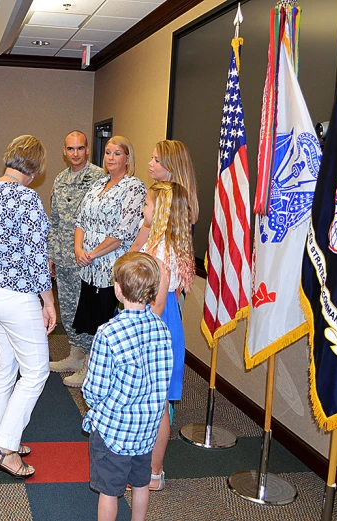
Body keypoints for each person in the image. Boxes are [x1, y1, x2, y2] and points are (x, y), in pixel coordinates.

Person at [0, 135, 55, 479]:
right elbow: (38, 259)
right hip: (16, 295)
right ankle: (5, 450)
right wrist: (48, 301)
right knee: (37, 371)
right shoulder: (28, 199)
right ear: (35, 167)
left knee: (7, 364)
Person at [82, 252, 173, 521]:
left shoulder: (108, 333)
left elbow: (95, 390)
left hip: (114, 431)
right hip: (146, 429)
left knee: (109, 492)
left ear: (118, 290)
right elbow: (163, 378)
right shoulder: (162, 329)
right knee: (141, 484)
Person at [130, 140, 198, 491]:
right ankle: (153, 468)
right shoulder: (171, 242)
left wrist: (137, 329)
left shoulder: (158, 251)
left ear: (158, 210)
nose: (142, 207)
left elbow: (156, 304)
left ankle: (153, 472)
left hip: (158, 324)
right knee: (157, 403)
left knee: (156, 407)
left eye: (145, 203)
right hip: (168, 321)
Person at [67, 136, 146, 387]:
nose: (110, 157)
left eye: (117, 153)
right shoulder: (98, 184)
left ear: (128, 158)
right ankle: (88, 364)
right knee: (91, 321)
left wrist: (92, 253)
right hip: (89, 268)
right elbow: (80, 221)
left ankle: (97, 372)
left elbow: (123, 232)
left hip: (112, 268)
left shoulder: (134, 187)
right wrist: (79, 249)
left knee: (107, 323)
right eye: (108, 153)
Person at [48, 130, 106, 374]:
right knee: (69, 309)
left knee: (88, 311)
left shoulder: (99, 178)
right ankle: (76, 353)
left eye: (79, 148)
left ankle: (91, 364)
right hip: (63, 257)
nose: (75, 153)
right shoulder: (60, 179)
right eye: (70, 149)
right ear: (64, 151)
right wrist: (50, 255)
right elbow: (56, 220)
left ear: (87, 149)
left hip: (87, 259)